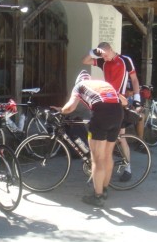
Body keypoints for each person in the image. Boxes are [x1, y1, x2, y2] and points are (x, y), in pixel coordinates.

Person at [52, 70, 124, 207]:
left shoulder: (79, 86)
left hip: (102, 114)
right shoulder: (102, 83)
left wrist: (60, 110)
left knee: (97, 159)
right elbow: (124, 101)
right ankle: (104, 189)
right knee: (108, 156)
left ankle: (97, 197)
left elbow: (71, 107)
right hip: (118, 112)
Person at [82, 42, 142, 182]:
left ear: (110, 50)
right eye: (101, 55)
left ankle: (128, 167)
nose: (104, 57)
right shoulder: (103, 61)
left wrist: (137, 100)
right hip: (106, 101)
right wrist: (94, 52)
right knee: (103, 138)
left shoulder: (125, 60)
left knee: (121, 137)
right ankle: (99, 171)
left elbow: (134, 79)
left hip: (119, 102)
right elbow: (84, 60)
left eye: (105, 54)